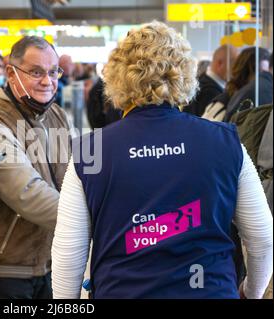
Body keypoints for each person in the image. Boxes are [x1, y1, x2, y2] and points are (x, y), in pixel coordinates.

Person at [51, 21, 273, 299]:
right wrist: (251, 292)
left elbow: (68, 254)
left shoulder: (89, 151)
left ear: (117, 76)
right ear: (184, 73)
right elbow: (262, 238)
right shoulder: (225, 142)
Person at [0, 36, 73, 299]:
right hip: (5, 267)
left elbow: (70, 177)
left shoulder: (55, 114)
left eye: (53, 72)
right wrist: (92, 220)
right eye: (36, 72)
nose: (47, 81)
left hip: (47, 260)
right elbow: (27, 192)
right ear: (11, 73)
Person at [202, 47, 271, 122]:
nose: (263, 79)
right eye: (261, 73)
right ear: (246, 71)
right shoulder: (226, 102)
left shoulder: (228, 98)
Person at [183, 44, 238, 116]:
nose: (236, 68)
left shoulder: (202, 82)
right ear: (220, 63)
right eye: (234, 63)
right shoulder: (210, 91)